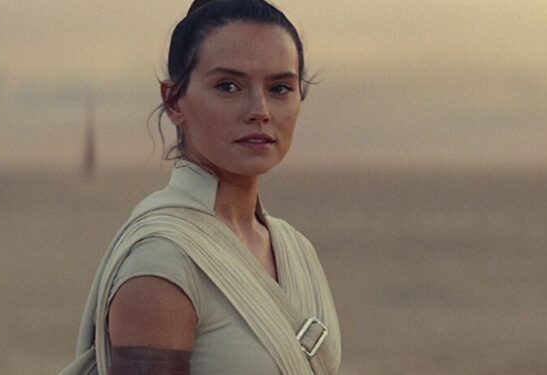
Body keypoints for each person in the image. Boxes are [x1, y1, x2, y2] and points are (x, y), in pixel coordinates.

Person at [63, 1, 341, 374]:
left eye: (279, 88)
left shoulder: (296, 250)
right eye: (228, 86)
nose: (260, 110)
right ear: (174, 101)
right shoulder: (162, 264)